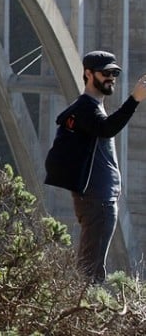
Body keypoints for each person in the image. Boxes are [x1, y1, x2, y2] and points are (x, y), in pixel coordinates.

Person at [44, 50, 146, 283]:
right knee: (91, 268)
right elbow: (107, 128)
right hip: (98, 201)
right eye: (105, 73)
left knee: (92, 263)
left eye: (114, 73)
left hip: (99, 199)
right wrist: (134, 100)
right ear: (88, 74)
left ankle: (79, 309)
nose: (111, 77)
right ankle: (78, 313)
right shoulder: (85, 109)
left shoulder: (90, 109)